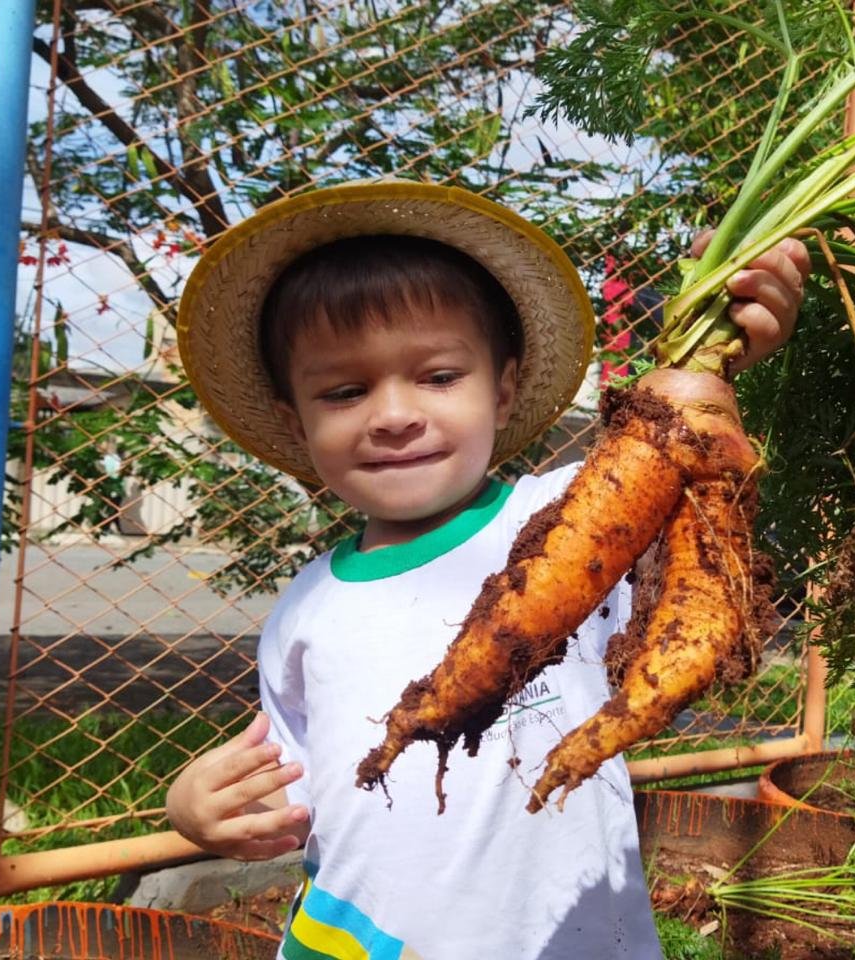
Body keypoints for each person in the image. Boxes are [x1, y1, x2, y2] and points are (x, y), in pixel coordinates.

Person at [165, 180, 810, 960]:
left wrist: (726, 353)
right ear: (297, 426)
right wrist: (201, 810)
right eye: (344, 391)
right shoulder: (303, 615)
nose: (396, 413)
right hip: (360, 943)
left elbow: (709, 495)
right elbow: (294, 790)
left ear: (502, 391)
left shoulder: (581, 515)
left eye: (439, 377)